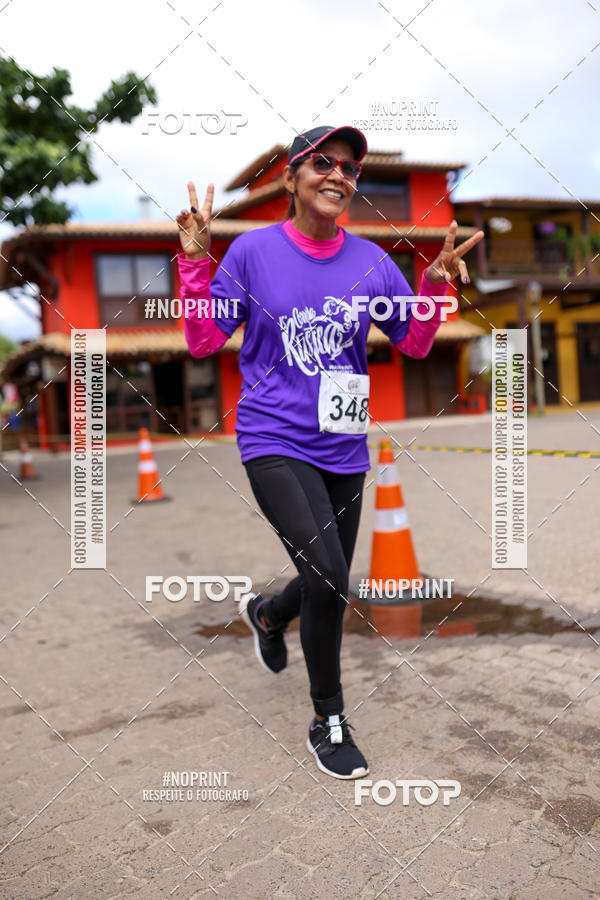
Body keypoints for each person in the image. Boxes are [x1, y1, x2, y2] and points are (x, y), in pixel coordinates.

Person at [176, 125, 484, 779]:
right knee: (329, 573)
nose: (338, 174)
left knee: (328, 577)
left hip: (343, 446)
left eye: (349, 167)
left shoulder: (372, 263)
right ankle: (328, 719)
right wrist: (195, 264)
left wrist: (434, 287)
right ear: (291, 177)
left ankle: (267, 613)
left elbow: (417, 344)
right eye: (322, 162)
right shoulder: (254, 254)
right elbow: (204, 342)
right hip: (273, 439)